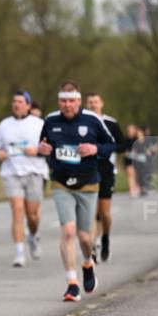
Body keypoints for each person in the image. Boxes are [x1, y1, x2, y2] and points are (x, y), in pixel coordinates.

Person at [38, 80, 115, 302]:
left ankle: (87, 263)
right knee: (69, 231)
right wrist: (43, 150)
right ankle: (72, 283)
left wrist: (95, 149)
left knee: (84, 236)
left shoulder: (92, 120)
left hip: (88, 182)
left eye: (71, 101)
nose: (67, 105)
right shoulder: (51, 121)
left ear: (79, 101)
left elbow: (110, 144)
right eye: (63, 101)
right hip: (61, 182)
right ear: (58, 102)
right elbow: (43, 144)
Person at [0, 90, 48, 267]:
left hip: (34, 172)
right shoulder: (4, 125)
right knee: (17, 211)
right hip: (12, 172)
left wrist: (37, 151)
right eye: (14, 101)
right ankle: (19, 253)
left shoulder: (39, 124)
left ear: (28, 105)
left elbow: (49, 148)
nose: (16, 104)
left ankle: (32, 235)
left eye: (20, 101)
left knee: (32, 215)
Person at [85, 92, 125, 262]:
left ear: (102, 103)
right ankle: (92, 247)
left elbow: (122, 145)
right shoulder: (84, 122)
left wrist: (105, 148)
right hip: (88, 170)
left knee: (104, 212)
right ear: (86, 105)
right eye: (90, 102)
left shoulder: (111, 123)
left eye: (96, 102)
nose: (93, 105)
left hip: (107, 170)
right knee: (92, 213)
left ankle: (105, 238)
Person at [124, 124, 141, 197]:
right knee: (131, 174)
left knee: (136, 174)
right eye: (130, 129)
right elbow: (124, 150)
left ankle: (137, 188)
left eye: (132, 129)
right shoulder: (125, 139)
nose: (131, 131)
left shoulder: (137, 139)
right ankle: (131, 189)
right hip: (128, 159)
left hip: (136, 159)